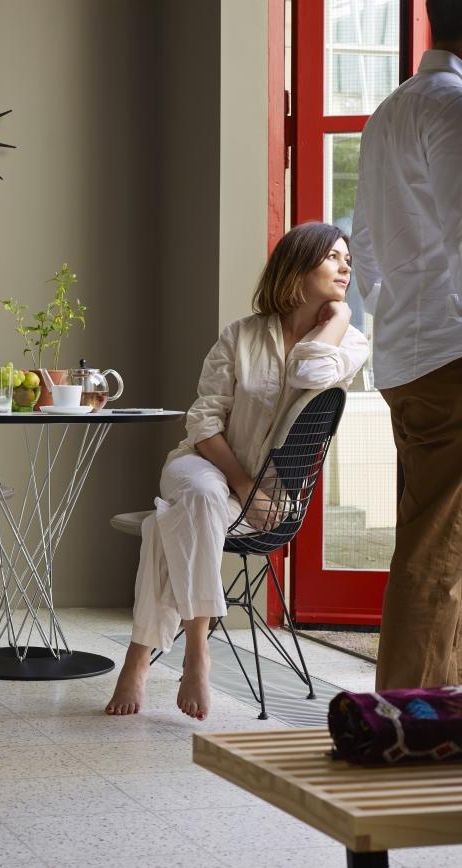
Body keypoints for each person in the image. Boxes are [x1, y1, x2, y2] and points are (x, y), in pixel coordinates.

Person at [106, 222, 369, 720]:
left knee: (169, 524)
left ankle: (138, 659)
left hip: (273, 496)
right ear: (298, 266)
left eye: (347, 259)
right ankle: (198, 652)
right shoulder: (241, 335)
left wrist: (340, 316)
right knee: (201, 496)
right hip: (202, 463)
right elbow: (203, 421)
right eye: (333, 257)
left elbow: (309, 371)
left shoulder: (350, 343)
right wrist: (245, 485)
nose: (346, 267)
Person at [350, 0, 462, 690]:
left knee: (437, 540)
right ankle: (405, 718)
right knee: (438, 550)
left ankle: (432, 711)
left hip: (411, 352)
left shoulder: (390, 111)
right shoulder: (451, 105)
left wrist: (394, 318)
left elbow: (363, 246)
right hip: (450, 355)